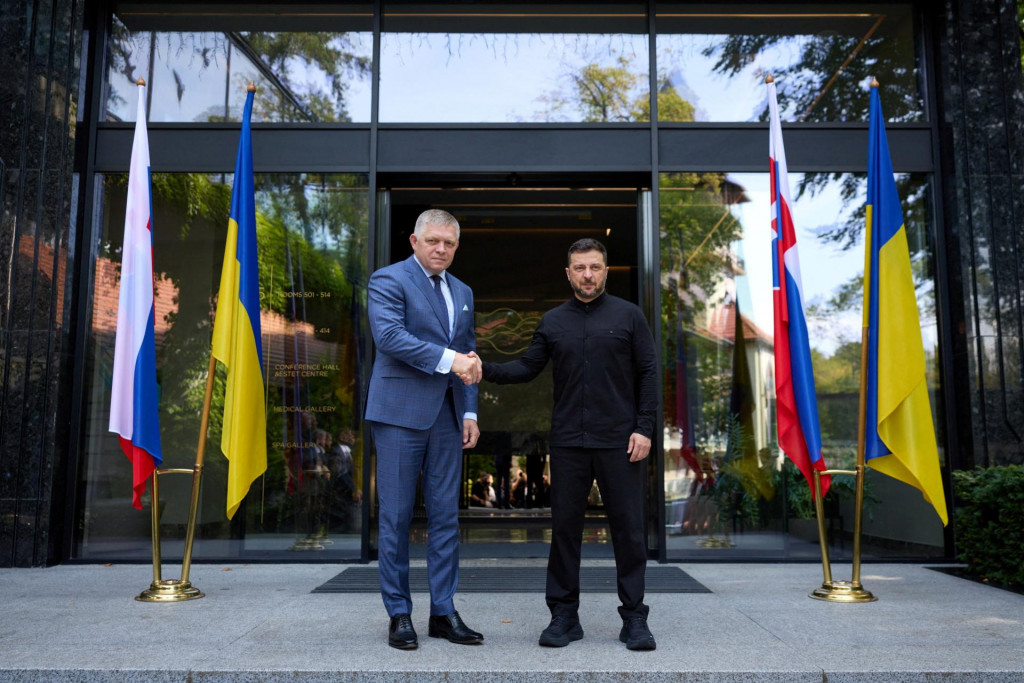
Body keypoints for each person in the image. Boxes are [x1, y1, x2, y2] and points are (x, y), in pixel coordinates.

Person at [482, 238, 658, 651]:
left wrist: (644, 428)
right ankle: (564, 616)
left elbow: (649, 373)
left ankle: (634, 618)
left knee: (629, 532)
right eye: (579, 268)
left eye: (594, 267)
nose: (587, 275)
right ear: (568, 273)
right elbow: (526, 368)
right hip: (568, 443)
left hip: (621, 442)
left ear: (605, 270)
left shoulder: (629, 316)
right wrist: (482, 368)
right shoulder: (552, 321)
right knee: (564, 531)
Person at [365, 208, 484, 650]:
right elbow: (390, 337)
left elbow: (468, 352)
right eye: (433, 241)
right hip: (399, 413)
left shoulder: (463, 290)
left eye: (449, 243)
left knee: (446, 519)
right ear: (414, 241)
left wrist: (469, 413)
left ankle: (443, 611)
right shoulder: (389, 280)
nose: (441, 249)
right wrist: (451, 360)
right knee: (396, 518)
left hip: (449, 418)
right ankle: (399, 613)